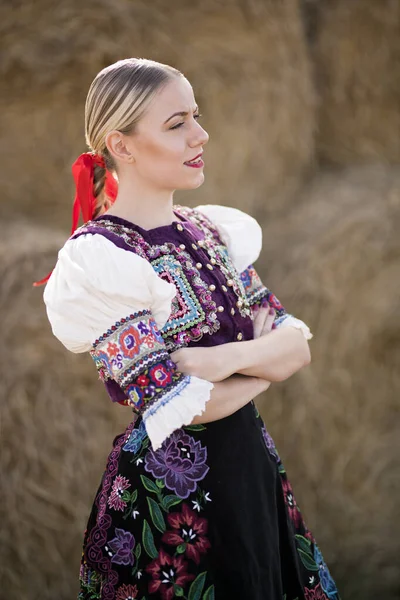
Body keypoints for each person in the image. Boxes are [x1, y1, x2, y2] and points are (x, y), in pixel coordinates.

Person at [39, 58, 340, 600]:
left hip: (251, 473)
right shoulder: (101, 260)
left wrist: (219, 362)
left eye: (195, 117)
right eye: (176, 124)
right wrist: (260, 365)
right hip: (169, 500)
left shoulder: (211, 232)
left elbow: (297, 343)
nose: (200, 134)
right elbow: (176, 404)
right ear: (122, 145)